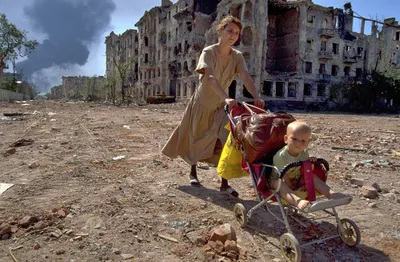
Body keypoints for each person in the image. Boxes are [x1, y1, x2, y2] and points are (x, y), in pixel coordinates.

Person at [162, 15, 264, 197]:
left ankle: (224, 182)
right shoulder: (209, 52)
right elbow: (208, 77)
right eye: (230, 30)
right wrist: (226, 97)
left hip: (221, 106)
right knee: (196, 137)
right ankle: (192, 172)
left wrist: (256, 96)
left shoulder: (237, 56)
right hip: (202, 103)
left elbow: (246, 77)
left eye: (237, 33)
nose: (233, 35)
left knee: (227, 139)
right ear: (221, 30)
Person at [270, 121, 337, 209]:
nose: (298, 143)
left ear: (308, 143)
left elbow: (306, 169)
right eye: (294, 139)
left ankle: (331, 193)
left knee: (313, 176)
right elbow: (283, 176)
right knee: (280, 184)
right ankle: (297, 201)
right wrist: (292, 186)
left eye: (303, 141)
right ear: (286, 139)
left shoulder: (304, 153)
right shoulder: (280, 156)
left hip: (297, 178)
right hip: (279, 179)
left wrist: (310, 162)